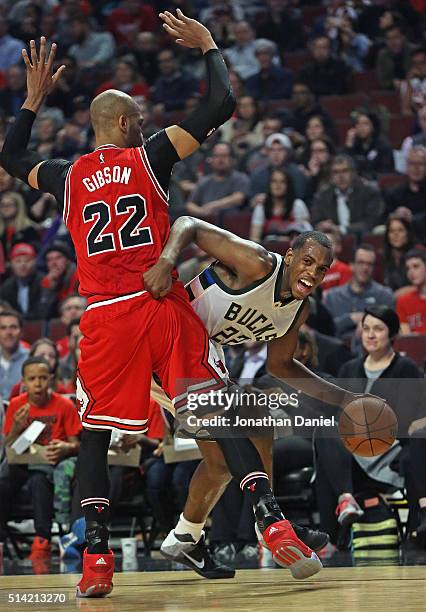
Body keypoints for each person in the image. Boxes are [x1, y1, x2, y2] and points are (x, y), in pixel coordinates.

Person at [0, 16, 319, 595]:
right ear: (123, 124)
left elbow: (11, 155)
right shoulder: (149, 156)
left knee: (95, 433)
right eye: (140, 119)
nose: (146, 123)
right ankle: (271, 521)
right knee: (215, 415)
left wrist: (31, 100)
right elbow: (220, 104)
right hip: (162, 305)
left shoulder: (66, 177)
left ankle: (96, 557)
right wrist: (210, 48)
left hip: (106, 316)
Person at [143, 222, 379, 580]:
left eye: (321, 269)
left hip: (203, 360)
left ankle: (185, 537)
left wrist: (348, 399)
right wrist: (166, 260)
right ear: (289, 257)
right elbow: (188, 225)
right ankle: (269, 520)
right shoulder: (256, 263)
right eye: (307, 262)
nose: (312, 273)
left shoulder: (298, 309)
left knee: (225, 460)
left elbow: (281, 366)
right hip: (168, 345)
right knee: (247, 409)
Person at [315, 306, 425, 546]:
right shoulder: (348, 369)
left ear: (393, 334)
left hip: (387, 455)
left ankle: (331, 537)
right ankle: (346, 501)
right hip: (353, 456)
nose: (371, 335)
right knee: (323, 431)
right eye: (366, 329)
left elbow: (409, 423)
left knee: (328, 456)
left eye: (378, 329)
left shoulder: (405, 369)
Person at [0, 356, 81, 559]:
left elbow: (78, 445)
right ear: (24, 382)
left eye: (43, 378)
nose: (37, 384)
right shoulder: (17, 405)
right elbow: (9, 446)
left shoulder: (64, 405)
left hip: (52, 463)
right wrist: (17, 427)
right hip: (24, 462)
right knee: (3, 482)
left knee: (38, 480)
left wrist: (66, 448)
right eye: (32, 378)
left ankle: (42, 540)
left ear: (51, 380)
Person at [324, 244, 395, 346]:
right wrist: (350, 319)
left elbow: (391, 330)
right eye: (360, 263)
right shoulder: (332, 297)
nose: (365, 268)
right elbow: (325, 331)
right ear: (352, 265)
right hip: (337, 353)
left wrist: (368, 326)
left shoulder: (384, 296)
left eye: (369, 264)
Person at [311, 155, 384, 237]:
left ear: (353, 173)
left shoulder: (369, 192)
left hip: (363, 239)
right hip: (332, 241)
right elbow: (316, 221)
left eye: (345, 171)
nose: (341, 176)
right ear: (331, 176)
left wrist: (342, 229)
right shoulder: (322, 196)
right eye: (336, 172)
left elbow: (370, 222)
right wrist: (321, 225)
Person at [249, 168, 311, 243]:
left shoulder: (297, 205)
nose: (278, 185)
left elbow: (306, 237)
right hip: (268, 250)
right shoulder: (261, 207)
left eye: (282, 182)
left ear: (288, 185)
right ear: (269, 185)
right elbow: (254, 239)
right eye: (274, 181)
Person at [0, 309, 29, 400]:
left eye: (13, 327)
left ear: (21, 332)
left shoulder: (31, 359)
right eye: (3, 328)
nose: (8, 332)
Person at [396, 249, 426, 333]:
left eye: (416, 266)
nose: (411, 272)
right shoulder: (403, 301)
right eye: (408, 268)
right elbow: (407, 338)